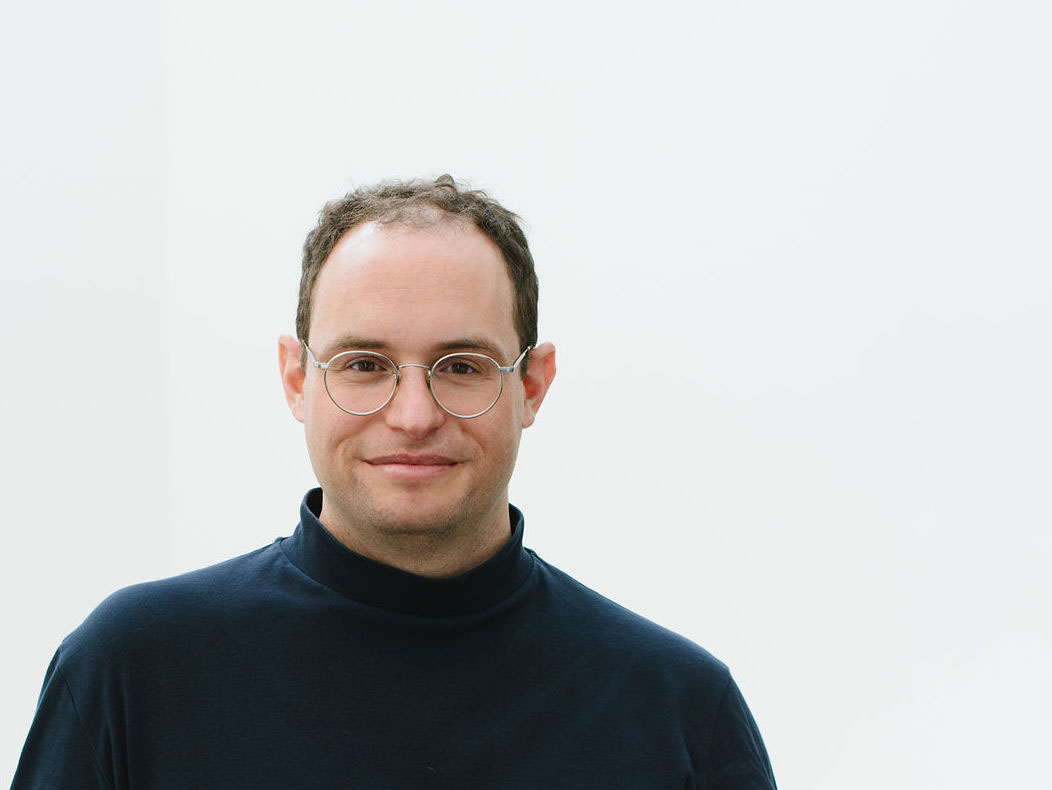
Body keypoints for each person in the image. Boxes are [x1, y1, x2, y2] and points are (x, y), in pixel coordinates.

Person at [12, 175, 776, 789]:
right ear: (295, 378)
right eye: (365, 365)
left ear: (532, 386)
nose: (412, 415)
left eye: (462, 367)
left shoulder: (675, 709)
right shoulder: (134, 671)